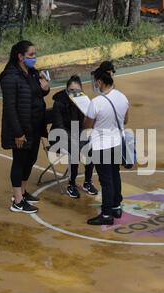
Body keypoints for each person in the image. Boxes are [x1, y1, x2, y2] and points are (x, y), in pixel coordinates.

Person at [0, 40, 50, 214]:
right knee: (20, 161)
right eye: (31, 55)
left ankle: (23, 191)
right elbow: (10, 107)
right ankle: (17, 201)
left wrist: (46, 88)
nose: (34, 58)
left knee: (31, 159)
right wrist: (18, 132)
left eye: (34, 55)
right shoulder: (9, 76)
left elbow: (38, 92)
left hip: (35, 124)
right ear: (20, 56)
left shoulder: (32, 72)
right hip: (21, 127)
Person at [85, 66, 129, 226]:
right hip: (117, 142)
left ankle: (106, 214)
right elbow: (125, 120)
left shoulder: (96, 102)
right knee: (115, 175)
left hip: (101, 145)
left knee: (106, 180)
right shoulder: (122, 97)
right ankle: (116, 207)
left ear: (99, 82)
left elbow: (87, 125)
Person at [51, 75, 98, 199]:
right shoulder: (59, 103)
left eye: (77, 90)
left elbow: (86, 124)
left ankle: (88, 182)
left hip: (76, 134)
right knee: (75, 151)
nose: (74, 93)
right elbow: (59, 126)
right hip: (59, 136)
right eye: (71, 90)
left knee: (91, 147)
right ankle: (71, 185)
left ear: (81, 90)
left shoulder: (83, 102)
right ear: (66, 90)